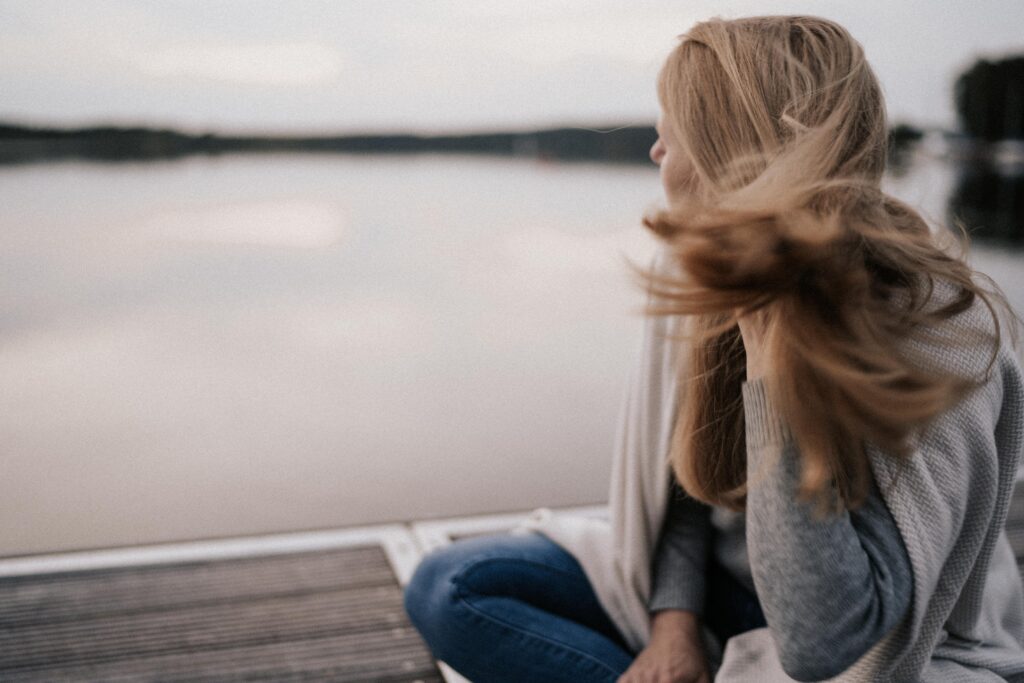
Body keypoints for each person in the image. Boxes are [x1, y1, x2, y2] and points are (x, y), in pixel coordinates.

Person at [403, 14, 1024, 682]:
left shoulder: (936, 329)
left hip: (847, 626)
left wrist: (772, 363)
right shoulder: (705, 268)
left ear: (727, 143)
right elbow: (685, 481)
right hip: (723, 588)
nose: (655, 152)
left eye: (672, 131)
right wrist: (673, 626)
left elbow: (828, 642)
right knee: (450, 585)